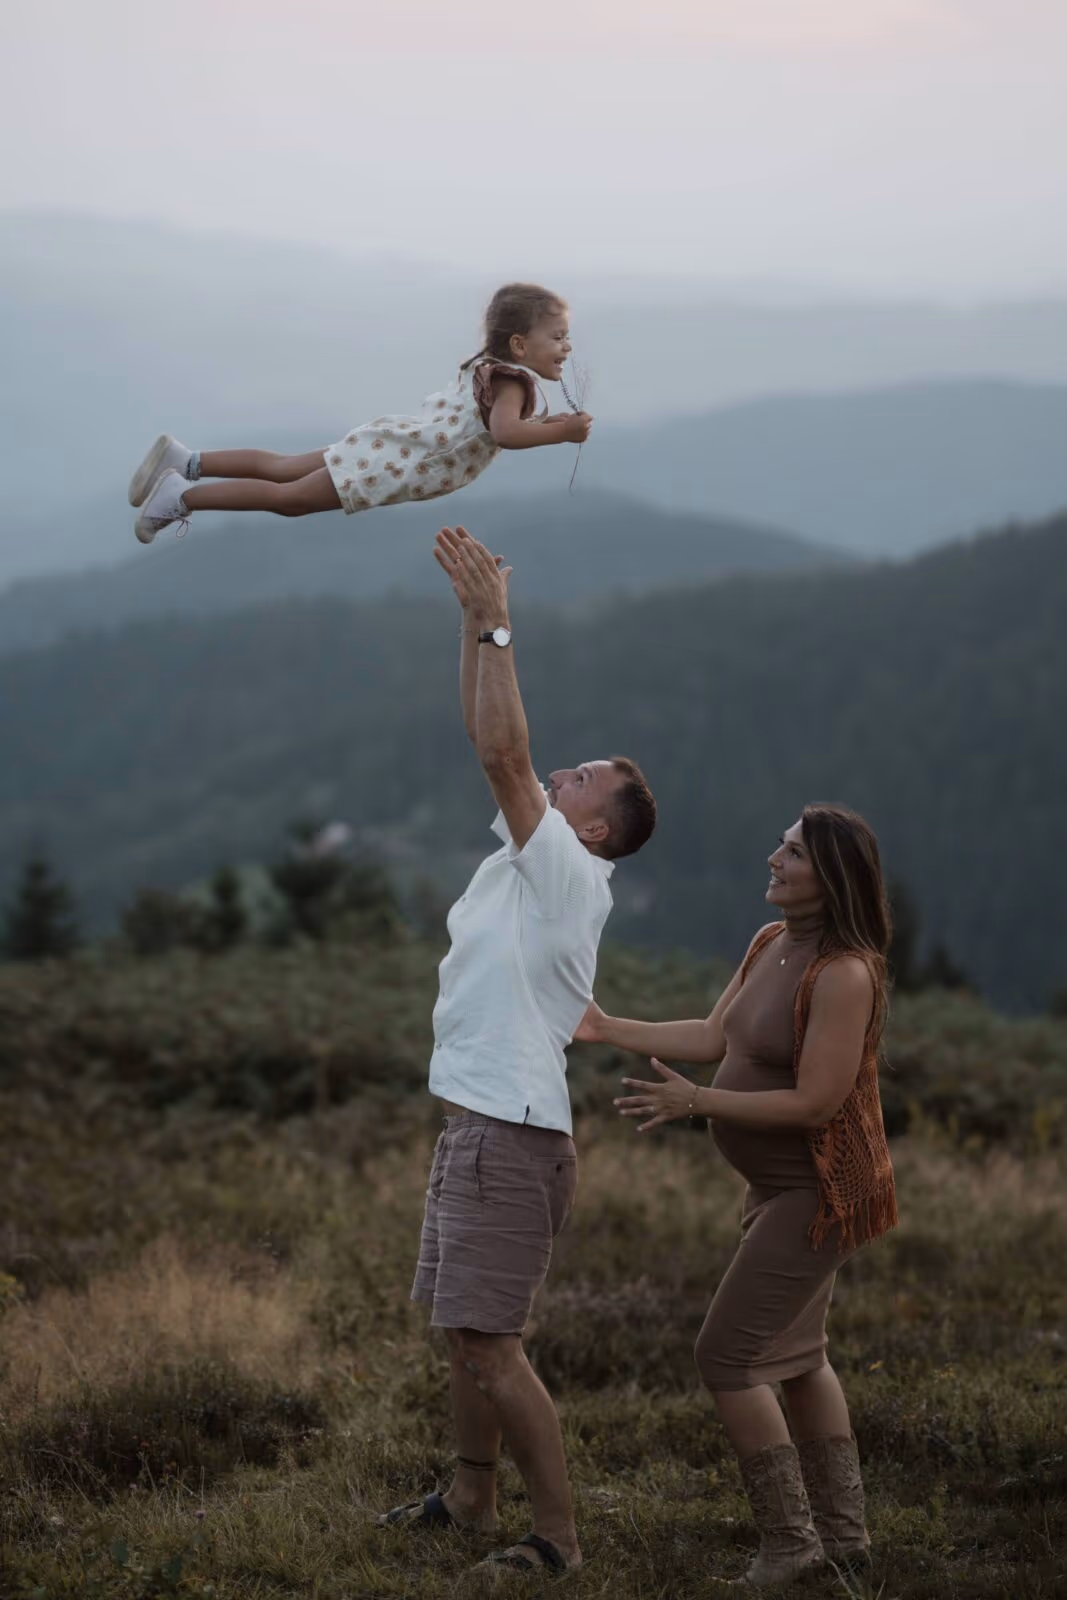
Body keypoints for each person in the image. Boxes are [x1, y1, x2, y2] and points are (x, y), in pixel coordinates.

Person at [379, 525, 655, 1575]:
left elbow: (502, 753)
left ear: (593, 830)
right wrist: (470, 623)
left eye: (578, 777)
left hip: (513, 1135)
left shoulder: (568, 875)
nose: (556, 772)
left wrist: (498, 623)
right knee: (463, 1336)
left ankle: (559, 1542)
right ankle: (468, 1494)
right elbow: (484, 738)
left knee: (494, 1348)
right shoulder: (523, 858)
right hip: (478, 1125)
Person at [577, 805, 897, 1589]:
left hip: (819, 1190)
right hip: (775, 1188)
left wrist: (700, 1105)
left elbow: (817, 1103)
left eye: (789, 853)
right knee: (798, 1359)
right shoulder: (769, 944)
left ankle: (792, 1549)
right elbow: (714, 1039)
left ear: (829, 877)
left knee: (725, 1357)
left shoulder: (844, 973)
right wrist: (604, 1025)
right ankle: (845, 1541)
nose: (771, 859)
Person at [127, 283, 592, 544]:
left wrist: (546, 425)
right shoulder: (514, 382)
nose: (566, 347)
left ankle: (187, 460)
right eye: (558, 337)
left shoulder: (488, 368)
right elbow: (506, 433)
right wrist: (561, 434)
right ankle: (182, 497)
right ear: (519, 344)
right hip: (395, 464)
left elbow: (493, 426)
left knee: (281, 467)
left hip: (388, 443)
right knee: (289, 498)